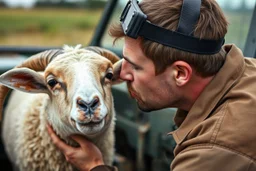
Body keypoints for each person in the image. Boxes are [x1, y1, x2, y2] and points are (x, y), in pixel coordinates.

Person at [47, 0, 256, 170]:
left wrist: (95, 166)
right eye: (123, 59)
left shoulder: (213, 150)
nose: (121, 72)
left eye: (135, 67)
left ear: (181, 73)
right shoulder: (247, 71)